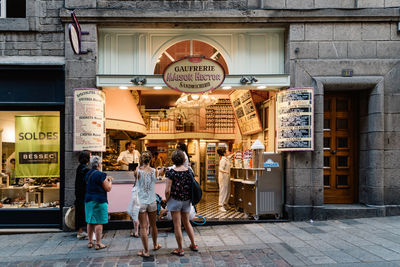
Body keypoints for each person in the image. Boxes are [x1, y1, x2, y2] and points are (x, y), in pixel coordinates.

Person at [165, 150, 198, 256]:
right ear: (184, 159)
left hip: (175, 201)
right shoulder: (189, 171)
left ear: (173, 160)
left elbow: (167, 190)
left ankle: (180, 249)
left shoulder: (171, 172)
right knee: (187, 223)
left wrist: (166, 200)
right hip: (186, 201)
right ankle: (193, 244)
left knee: (177, 225)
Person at [136, 151, 162, 257]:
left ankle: (146, 251)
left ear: (141, 160)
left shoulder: (137, 171)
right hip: (152, 201)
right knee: (153, 225)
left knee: (143, 227)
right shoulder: (154, 171)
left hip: (141, 202)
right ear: (150, 160)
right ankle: (155, 245)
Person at [84, 156, 113, 250]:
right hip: (99, 200)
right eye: (101, 163)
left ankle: (90, 242)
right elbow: (107, 188)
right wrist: (110, 181)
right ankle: (98, 243)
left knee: (90, 221)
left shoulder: (88, 173)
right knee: (99, 222)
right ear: (98, 164)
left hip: (88, 200)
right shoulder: (101, 175)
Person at [75, 150, 91, 239]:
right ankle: (80, 232)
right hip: (83, 193)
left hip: (79, 193)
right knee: (82, 212)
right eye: (90, 156)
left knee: (80, 211)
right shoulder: (85, 169)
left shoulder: (80, 167)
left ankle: (80, 231)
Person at [217, 147, 231, 212]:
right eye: (227, 151)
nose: (228, 152)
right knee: (223, 191)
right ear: (224, 153)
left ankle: (225, 203)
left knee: (227, 190)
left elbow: (229, 157)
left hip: (226, 177)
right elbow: (220, 169)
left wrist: (234, 153)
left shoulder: (226, 159)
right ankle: (220, 205)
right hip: (223, 177)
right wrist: (225, 171)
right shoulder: (223, 160)